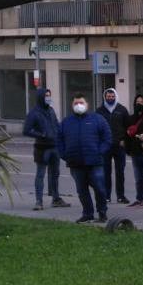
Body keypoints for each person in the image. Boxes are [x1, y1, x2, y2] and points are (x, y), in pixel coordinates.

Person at [57, 93, 112, 224]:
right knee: (82, 191)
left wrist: (100, 152)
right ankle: (87, 214)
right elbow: (59, 140)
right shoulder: (66, 122)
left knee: (99, 188)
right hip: (75, 163)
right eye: (76, 103)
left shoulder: (98, 119)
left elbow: (107, 138)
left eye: (81, 103)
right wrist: (64, 155)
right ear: (72, 105)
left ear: (87, 104)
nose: (78, 105)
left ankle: (102, 212)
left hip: (95, 162)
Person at [22, 88, 70, 211]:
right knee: (40, 174)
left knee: (55, 174)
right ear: (40, 97)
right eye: (46, 96)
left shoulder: (51, 110)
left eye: (49, 95)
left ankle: (56, 199)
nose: (48, 98)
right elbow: (26, 130)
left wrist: (62, 134)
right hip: (42, 148)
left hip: (54, 147)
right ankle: (39, 201)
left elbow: (57, 125)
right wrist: (41, 134)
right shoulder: (33, 113)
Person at [96, 87, 130, 204]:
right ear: (105, 97)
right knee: (106, 172)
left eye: (112, 96)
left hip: (119, 146)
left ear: (115, 96)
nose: (110, 98)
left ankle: (121, 196)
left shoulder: (122, 110)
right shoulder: (99, 111)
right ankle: (106, 196)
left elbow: (128, 127)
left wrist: (124, 140)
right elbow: (96, 128)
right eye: (108, 96)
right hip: (105, 146)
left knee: (120, 172)